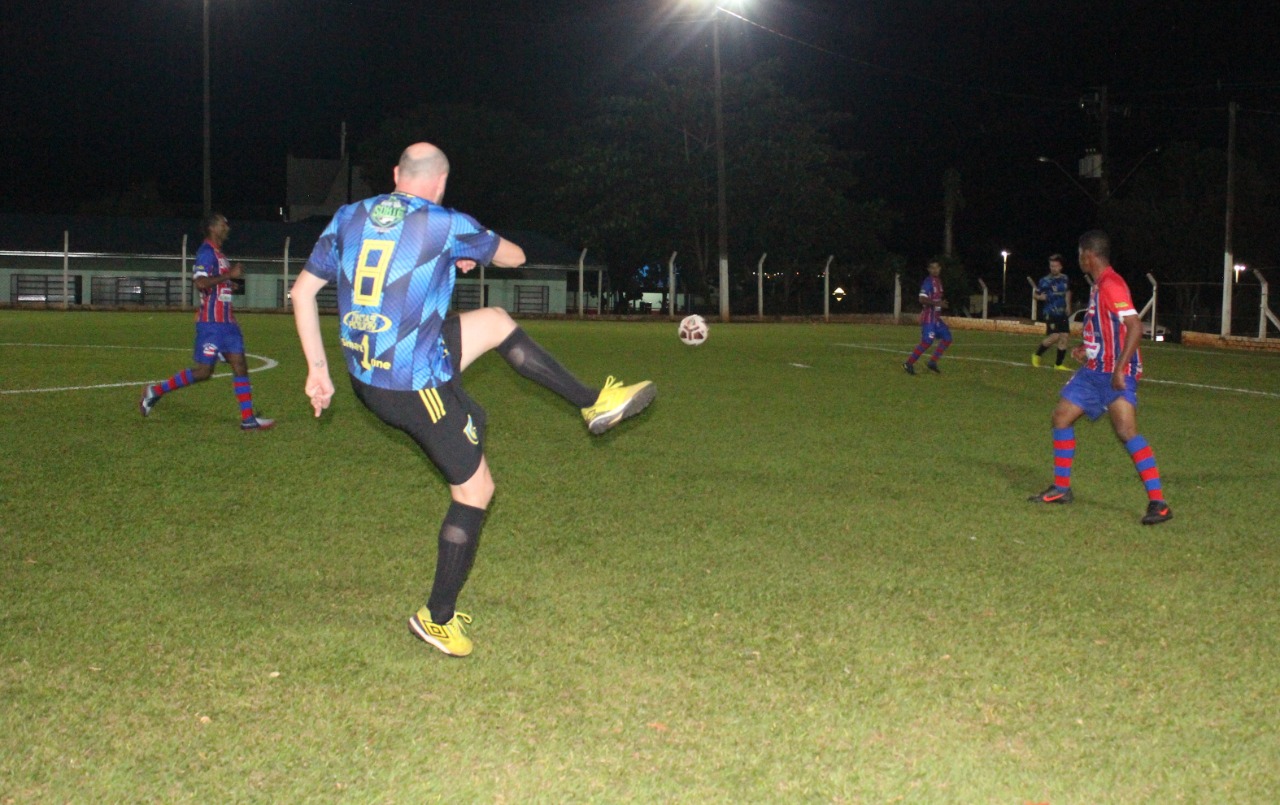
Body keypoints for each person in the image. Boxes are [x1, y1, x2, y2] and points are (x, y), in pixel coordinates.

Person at [290, 142, 656, 658]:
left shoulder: (352, 215)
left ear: (397, 175)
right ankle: (436, 619)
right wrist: (469, 245)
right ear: (440, 184)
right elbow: (516, 256)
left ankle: (591, 401)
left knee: (495, 323)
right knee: (476, 490)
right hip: (414, 386)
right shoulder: (443, 221)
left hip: (369, 371)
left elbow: (302, 293)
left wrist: (317, 370)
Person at [1028, 230, 1172, 525]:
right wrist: (1087, 348)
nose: (1078, 259)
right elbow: (1108, 329)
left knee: (1126, 432)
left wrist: (1120, 369)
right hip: (1094, 370)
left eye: (1080, 254)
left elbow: (1134, 327)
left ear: (1088, 255)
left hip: (1116, 372)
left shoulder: (1112, 285)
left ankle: (1159, 503)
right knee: (1061, 417)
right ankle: (1061, 489)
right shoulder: (1098, 286)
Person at [139, 212, 274, 430]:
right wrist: (228, 276)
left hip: (228, 323)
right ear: (212, 228)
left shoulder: (220, 255)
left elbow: (216, 284)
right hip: (211, 325)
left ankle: (248, 419)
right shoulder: (206, 253)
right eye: (223, 223)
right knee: (203, 372)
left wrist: (229, 284)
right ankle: (155, 391)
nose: (227, 226)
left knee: (240, 364)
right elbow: (201, 283)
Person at [902, 259, 952, 375]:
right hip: (929, 318)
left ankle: (932, 362)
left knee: (947, 338)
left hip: (936, 318)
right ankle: (908, 363)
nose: (935, 270)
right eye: (932, 268)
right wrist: (937, 304)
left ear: (940, 268)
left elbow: (936, 299)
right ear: (929, 270)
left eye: (937, 267)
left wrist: (939, 305)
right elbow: (921, 299)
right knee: (927, 342)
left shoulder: (939, 281)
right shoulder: (928, 282)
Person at [1032, 253, 1072, 370]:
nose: (1053, 268)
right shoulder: (1045, 280)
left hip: (1062, 312)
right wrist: (1040, 297)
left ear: (1060, 267)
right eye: (1051, 266)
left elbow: (1068, 292)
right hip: (1050, 311)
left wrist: (1068, 305)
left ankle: (1058, 364)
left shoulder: (1065, 278)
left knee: (1064, 336)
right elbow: (1035, 294)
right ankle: (1037, 354)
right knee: (1055, 336)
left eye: (1055, 266)